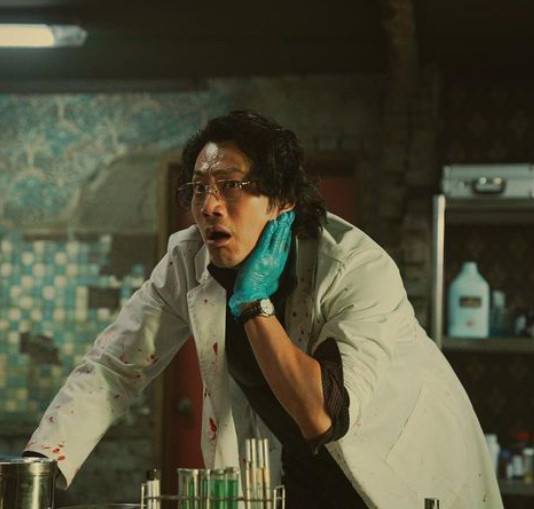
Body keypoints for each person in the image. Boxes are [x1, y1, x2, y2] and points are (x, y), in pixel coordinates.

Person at [25, 110, 502, 508]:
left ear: (281, 200)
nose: (209, 206)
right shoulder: (188, 259)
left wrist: (253, 304)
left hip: (406, 472)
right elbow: (114, 366)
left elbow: (321, 415)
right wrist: (36, 470)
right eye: (198, 187)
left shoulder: (356, 267)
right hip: (303, 475)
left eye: (230, 185)